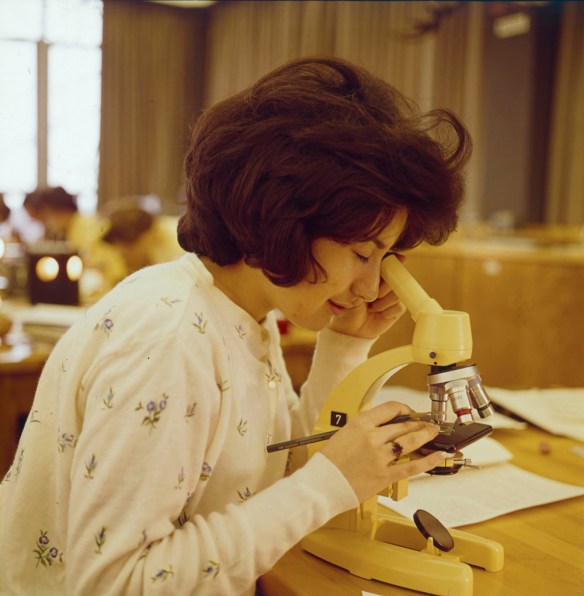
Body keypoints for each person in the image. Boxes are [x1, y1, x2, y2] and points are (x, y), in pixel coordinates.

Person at [0, 56, 471, 594]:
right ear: (282, 218)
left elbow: (276, 474)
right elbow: (117, 583)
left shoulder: (243, 312)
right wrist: (331, 482)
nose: (371, 286)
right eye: (364, 253)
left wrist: (344, 344)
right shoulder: (169, 341)